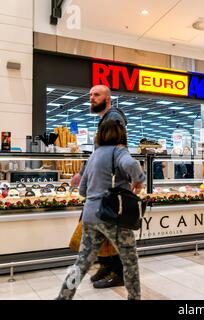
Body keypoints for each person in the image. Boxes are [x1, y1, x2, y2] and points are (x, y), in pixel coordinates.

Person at [56, 120, 145, 299]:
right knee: (129, 260)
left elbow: (82, 190)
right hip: (113, 215)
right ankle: (134, 298)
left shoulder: (94, 155)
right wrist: (139, 180)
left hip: (90, 216)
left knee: (82, 262)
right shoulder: (119, 151)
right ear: (121, 134)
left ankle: (63, 297)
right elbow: (132, 165)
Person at [70, 85, 128, 289]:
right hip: (101, 185)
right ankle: (106, 264)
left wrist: (85, 173)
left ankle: (119, 272)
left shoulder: (114, 118)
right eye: (90, 95)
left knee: (109, 229)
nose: (92, 98)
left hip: (108, 186)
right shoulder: (106, 118)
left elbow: (112, 153)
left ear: (108, 98)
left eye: (96, 95)